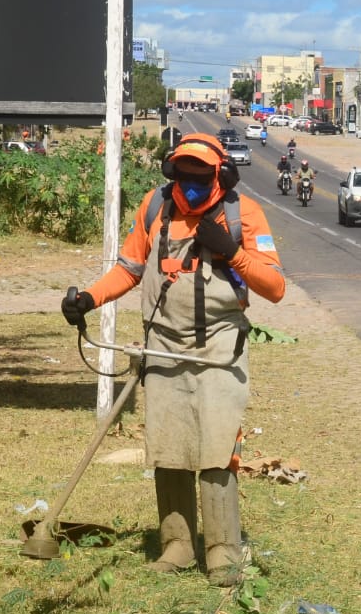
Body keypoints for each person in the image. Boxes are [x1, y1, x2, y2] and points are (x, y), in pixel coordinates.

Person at [61, 133, 286, 585]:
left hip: (220, 350)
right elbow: (129, 269)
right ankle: (178, 546)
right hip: (161, 344)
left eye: (202, 177)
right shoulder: (155, 207)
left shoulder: (244, 214)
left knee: (216, 448)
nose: (192, 185)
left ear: (221, 175)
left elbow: (275, 288)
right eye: (184, 176)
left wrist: (233, 252)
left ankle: (223, 552)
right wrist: (88, 298)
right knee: (169, 448)